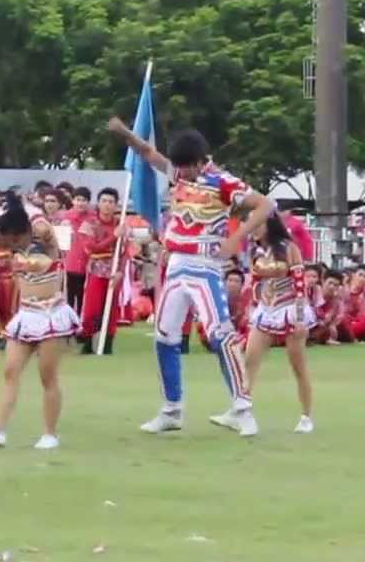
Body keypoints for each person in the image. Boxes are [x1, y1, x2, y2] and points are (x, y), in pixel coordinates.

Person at [106, 117, 275, 436]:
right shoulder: (179, 173)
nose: (180, 173)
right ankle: (171, 409)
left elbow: (266, 204)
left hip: (205, 265)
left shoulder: (223, 182)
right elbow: (148, 153)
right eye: (179, 167)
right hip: (176, 265)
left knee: (221, 335)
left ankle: (242, 409)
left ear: (200, 161)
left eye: (186, 167)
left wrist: (235, 238)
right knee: (164, 335)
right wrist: (125, 133)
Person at [0, 191, 78, 449]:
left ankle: (50, 434)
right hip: (27, 314)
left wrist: (24, 207)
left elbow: (42, 227)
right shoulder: (11, 245)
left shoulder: (46, 243)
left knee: (47, 376)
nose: (7, 242)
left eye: (12, 237)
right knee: (10, 371)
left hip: (51, 315)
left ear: (22, 231)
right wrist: (3, 210)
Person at [241, 215, 314, 434]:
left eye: (258, 225)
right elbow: (255, 282)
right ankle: (244, 413)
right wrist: (253, 306)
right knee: (249, 361)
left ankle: (306, 416)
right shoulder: (256, 252)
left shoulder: (289, 248)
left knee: (298, 365)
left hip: (290, 308)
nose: (253, 229)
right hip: (266, 309)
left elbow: (300, 284)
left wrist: (299, 317)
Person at [77, 188, 124, 355]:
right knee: (92, 309)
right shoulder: (89, 224)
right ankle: (88, 343)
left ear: (116, 205)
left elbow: (126, 251)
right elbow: (92, 248)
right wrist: (114, 237)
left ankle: (107, 344)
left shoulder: (121, 224)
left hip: (114, 272)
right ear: (98, 203)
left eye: (111, 202)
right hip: (96, 271)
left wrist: (121, 271)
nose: (107, 205)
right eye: (104, 201)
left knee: (111, 310)